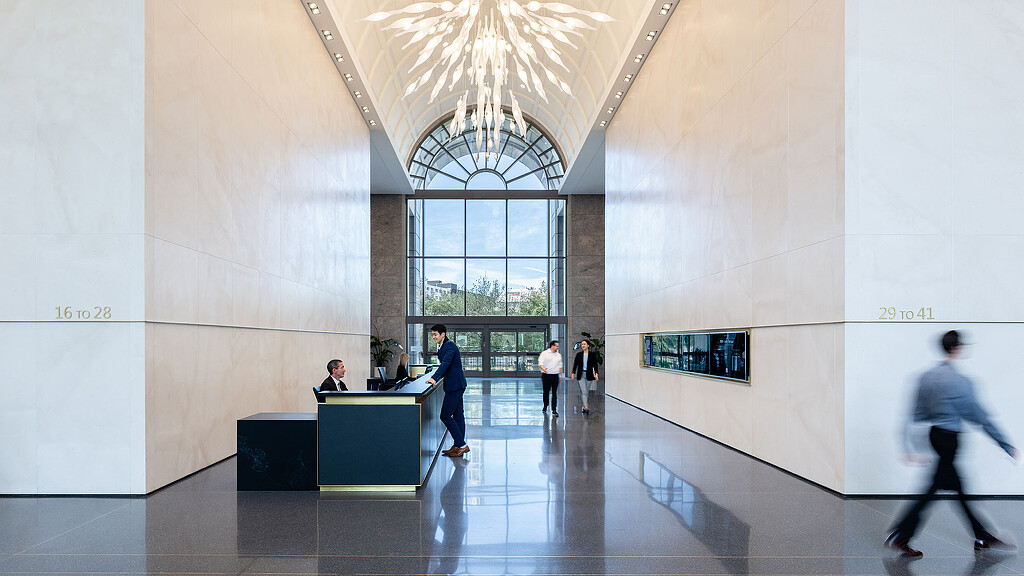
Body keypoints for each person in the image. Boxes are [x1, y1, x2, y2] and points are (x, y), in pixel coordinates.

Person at [884, 330, 1019, 558]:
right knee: (936, 489)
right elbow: (980, 417)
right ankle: (900, 534)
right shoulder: (961, 381)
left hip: (935, 435)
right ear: (956, 348)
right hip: (950, 439)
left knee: (957, 488)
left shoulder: (926, 377)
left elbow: (915, 414)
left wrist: (909, 446)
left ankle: (981, 535)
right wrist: (1004, 443)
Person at [427, 324, 469, 457]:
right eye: (432, 334)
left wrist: (434, 378)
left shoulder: (449, 345)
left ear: (443, 334)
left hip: (455, 385)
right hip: (455, 384)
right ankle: (458, 445)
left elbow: (446, 363)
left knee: (445, 416)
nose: (433, 337)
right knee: (458, 415)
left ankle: (462, 445)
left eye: (435, 334)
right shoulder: (443, 346)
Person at [571, 339, 599, 414]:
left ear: (588, 346)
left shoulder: (592, 355)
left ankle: (584, 405)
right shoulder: (579, 355)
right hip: (581, 375)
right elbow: (575, 365)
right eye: (582, 344)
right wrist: (573, 373)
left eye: (584, 344)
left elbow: (595, 365)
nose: (583, 345)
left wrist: (596, 374)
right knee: (584, 391)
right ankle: (586, 406)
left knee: (586, 391)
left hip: (589, 374)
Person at [538, 340, 563, 417]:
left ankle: (554, 410)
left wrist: (561, 375)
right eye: (557, 346)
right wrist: (544, 369)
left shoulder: (558, 355)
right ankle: (545, 405)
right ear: (552, 346)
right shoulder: (544, 353)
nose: (558, 347)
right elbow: (540, 363)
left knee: (554, 393)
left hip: (555, 376)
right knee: (546, 392)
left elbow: (560, 366)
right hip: (546, 375)